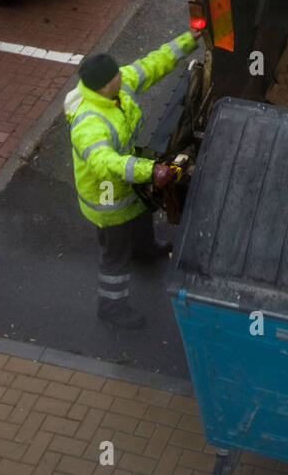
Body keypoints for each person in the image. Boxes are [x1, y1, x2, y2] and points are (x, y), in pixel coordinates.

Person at [64, 31, 199, 329]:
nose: (121, 76)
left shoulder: (116, 86)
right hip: (107, 195)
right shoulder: (90, 123)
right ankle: (112, 306)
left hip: (123, 181)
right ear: (104, 85)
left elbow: (151, 65)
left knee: (139, 211)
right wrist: (149, 171)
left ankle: (144, 247)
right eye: (115, 75)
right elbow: (105, 164)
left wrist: (189, 40)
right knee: (115, 250)